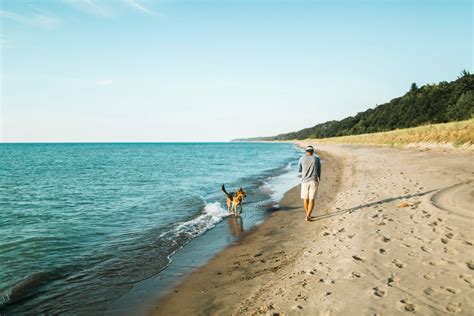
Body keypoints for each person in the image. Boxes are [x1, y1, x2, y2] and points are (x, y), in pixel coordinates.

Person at [298, 145, 321, 222]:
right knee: (312, 199)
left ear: (306, 151)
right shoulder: (317, 159)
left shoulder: (301, 159)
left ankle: (308, 215)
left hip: (304, 181)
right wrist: (319, 177)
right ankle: (308, 215)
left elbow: (299, 170)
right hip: (313, 181)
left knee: (306, 199)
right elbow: (319, 170)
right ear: (313, 151)